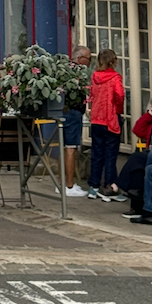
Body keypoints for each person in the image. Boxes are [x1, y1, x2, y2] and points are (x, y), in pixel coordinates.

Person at [87, 49, 127, 201]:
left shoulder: (95, 76)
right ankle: (109, 186)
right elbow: (120, 95)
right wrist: (118, 110)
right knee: (110, 154)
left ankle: (94, 186)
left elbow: (92, 95)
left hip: (97, 118)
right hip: (110, 118)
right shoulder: (115, 77)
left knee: (97, 153)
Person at [63, 45, 92, 197]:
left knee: (67, 148)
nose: (90, 62)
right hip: (73, 113)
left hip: (66, 112)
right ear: (80, 59)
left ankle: (65, 184)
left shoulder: (64, 70)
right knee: (70, 148)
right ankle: (69, 185)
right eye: (88, 58)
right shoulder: (76, 73)